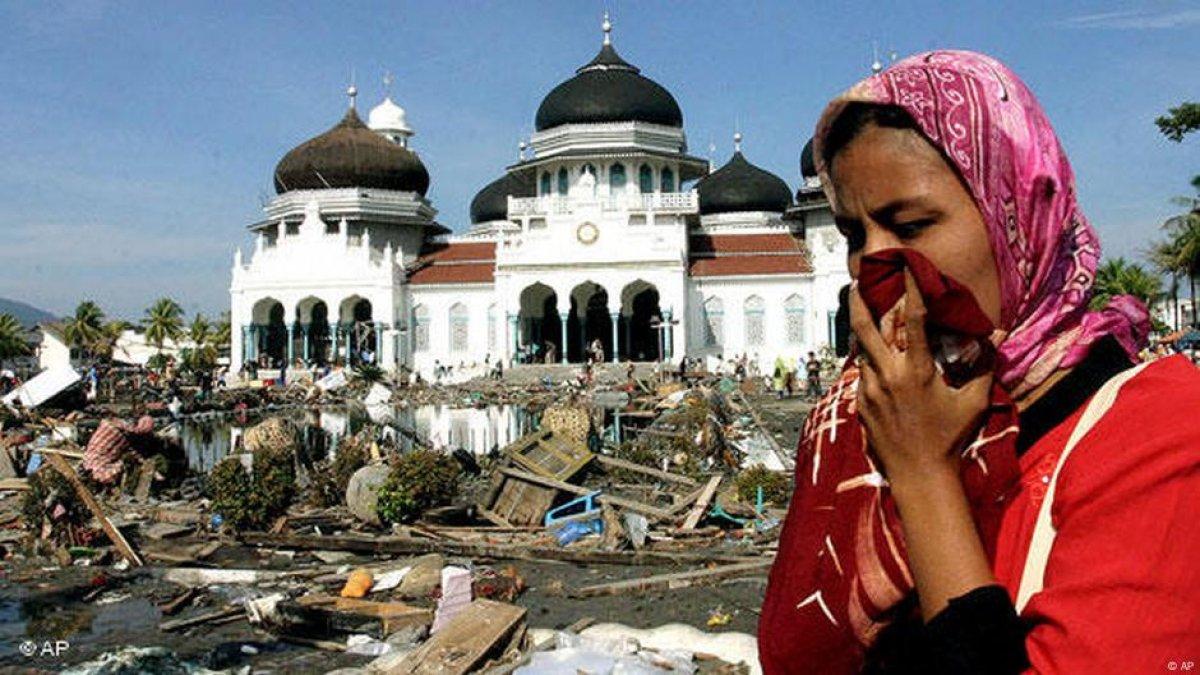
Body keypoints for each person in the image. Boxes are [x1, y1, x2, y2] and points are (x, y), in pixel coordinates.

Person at [760, 51, 1200, 674]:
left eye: (909, 225)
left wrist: (923, 477)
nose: (873, 268)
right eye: (855, 236)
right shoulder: (873, 419)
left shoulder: (1159, 433)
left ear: (1018, 216)